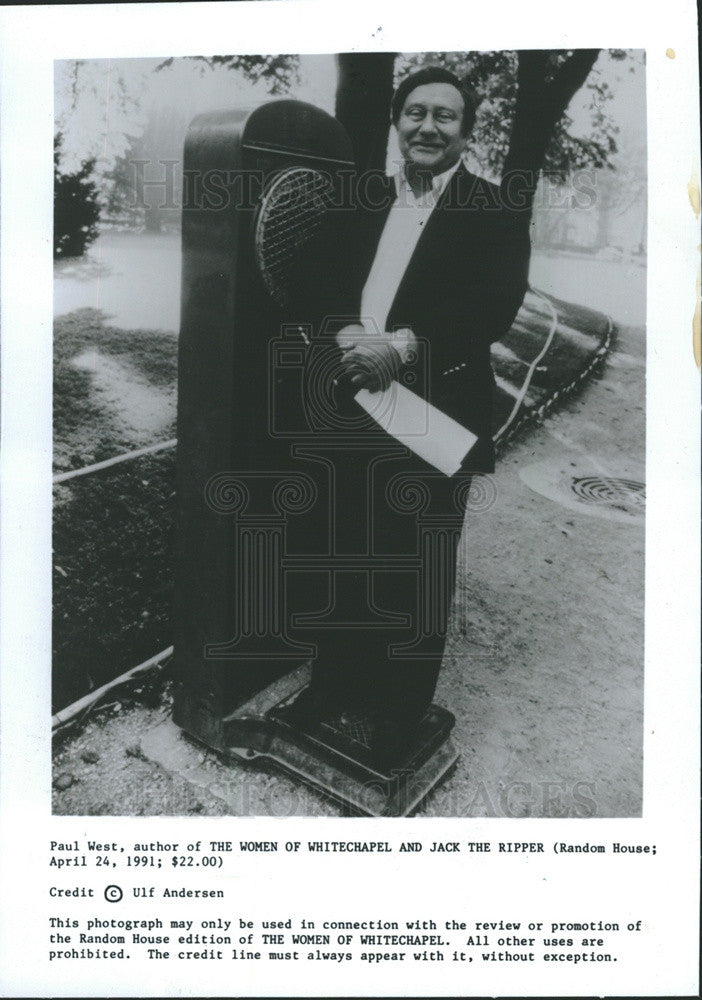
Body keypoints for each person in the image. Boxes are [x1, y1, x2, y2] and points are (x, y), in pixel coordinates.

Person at [280, 66, 531, 769]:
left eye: (444, 116)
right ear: (397, 122)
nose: (427, 126)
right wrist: (345, 338)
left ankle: (398, 711)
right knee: (344, 552)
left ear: (465, 130)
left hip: (433, 411)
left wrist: (403, 347)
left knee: (415, 568)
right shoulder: (360, 194)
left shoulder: (494, 209)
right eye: (414, 113)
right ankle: (333, 685)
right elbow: (311, 279)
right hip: (348, 399)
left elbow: (493, 306)